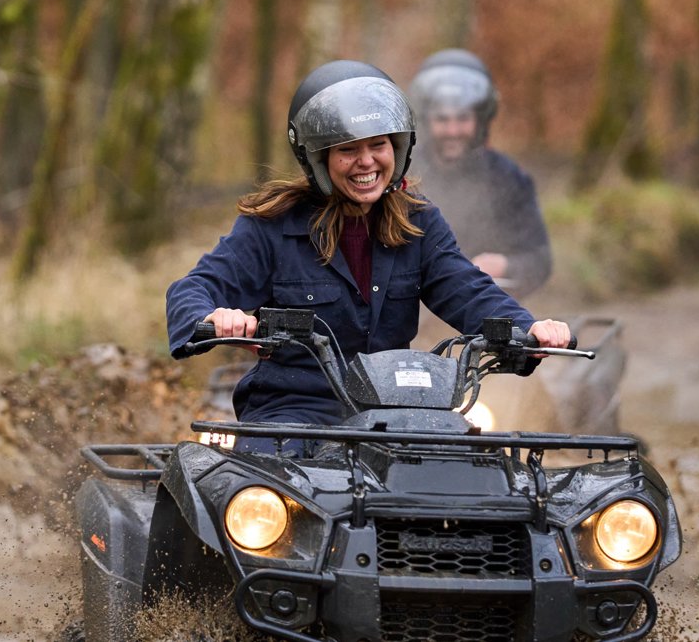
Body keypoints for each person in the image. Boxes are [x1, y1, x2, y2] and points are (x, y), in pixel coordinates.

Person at [165, 60, 570, 448]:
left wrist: (527, 329)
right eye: (347, 149)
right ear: (319, 157)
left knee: (471, 486)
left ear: (398, 148)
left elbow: (467, 289)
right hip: (294, 418)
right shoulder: (271, 226)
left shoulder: (419, 223)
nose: (366, 162)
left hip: (399, 413)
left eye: (378, 145)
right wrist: (215, 316)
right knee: (263, 501)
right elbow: (193, 290)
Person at [407, 49, 552, 295]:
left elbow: (540, 259)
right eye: (442, 119)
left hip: (488, 313)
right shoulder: (403, 173)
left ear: (481, 119)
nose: (453, 130)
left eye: (462, 118)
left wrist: (504, 265)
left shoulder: (509, 178)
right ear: (426, 120)